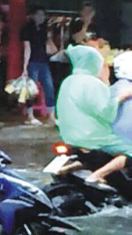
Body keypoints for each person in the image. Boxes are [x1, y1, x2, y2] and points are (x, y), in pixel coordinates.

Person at [56, 46, 132, 188]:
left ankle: (66, 169)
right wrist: (121, 98)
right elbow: (107, 113)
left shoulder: (68, 81)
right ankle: (95, 177)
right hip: (92, 136)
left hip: (69, 135)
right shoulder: (94, 84)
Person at [21, 5, 56, 125]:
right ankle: (30, 115)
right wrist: (25, 67)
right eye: (38, 15)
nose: (41, 17)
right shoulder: (27, 29)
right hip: (33, 62)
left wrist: (50, 37)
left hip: (44, 61)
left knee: (49, 87)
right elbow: (27, 48)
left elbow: (50, 48)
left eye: (43, 15)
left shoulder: (45, 29)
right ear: (33, 16)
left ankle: (51, 115)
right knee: (31, 90)